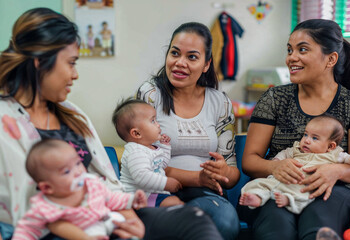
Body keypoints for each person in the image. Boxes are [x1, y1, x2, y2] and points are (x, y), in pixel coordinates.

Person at [0, 8, 222, 240]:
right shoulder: (4, 122)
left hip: (103, 218)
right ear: (40, 63)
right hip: (48, 230)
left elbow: (109, 183)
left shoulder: (73, 116)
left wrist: (131, 219)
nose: (75, 75)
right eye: (71, 63)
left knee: (194, 221)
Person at [237, 18, 350, 240]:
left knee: (319, 215)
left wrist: (337, 171)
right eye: (290, 50)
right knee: (277, 224)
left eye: (302, 49)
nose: (291, 57)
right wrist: (275, 167)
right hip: (277, 187)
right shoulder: (275, 98)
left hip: (337, 190)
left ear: (330, 59)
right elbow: (250, 161)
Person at [137, 22, 240, 240]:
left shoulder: (220, 102)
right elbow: (139, 163)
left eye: (192, 57)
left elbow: (232, 173)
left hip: (206, 195)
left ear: (206, 64)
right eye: (175, 53)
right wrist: (197, 178)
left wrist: (223, 172)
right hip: (158, 191)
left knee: (224, 221)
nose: (179, 63)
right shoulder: (150, 95)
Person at [13, 139, 147, 240]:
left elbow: (110, 198)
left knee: (125, 224)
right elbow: (26, 230)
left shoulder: (91, 183)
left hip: (110, 219)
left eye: (78, 163)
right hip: (87, 232)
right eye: (66, 171)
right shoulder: (43, 207)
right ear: (47, 187)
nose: (78, 172)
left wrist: (132, 199)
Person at [240, 115, 350, 214]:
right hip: (281, 178)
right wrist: (277, 162)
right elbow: (284, 153)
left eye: (315, 138)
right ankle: (256, 197)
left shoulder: (335, 154)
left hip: (302, 185)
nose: (306, 140)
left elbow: (348, 159)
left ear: (330, 146)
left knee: (303, 196)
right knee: (260, 183)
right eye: (306, 134)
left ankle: (288, 200)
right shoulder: (296, 149)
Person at [112, 98, 184, 207]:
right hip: (140, 197)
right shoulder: (135, 151)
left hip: (153, 193)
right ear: (136, 133)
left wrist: (165, 146)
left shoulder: (150, 147)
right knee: (175, 203)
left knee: (177, 202)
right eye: (152, 121)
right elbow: (142, 176)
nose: (158, 124)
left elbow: (161, 164)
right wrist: (165, 183)